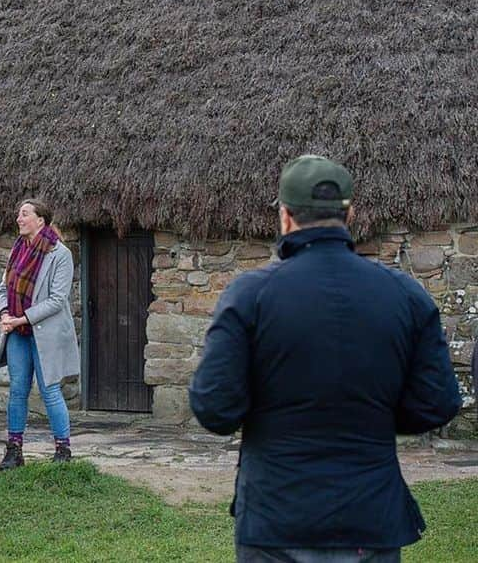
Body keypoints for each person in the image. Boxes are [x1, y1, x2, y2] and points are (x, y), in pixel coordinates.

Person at [189, 155, 462, 562]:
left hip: (276, 517)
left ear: (284, 217)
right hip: (370, 517)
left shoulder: (250, 296)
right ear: (349, 215)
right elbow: (437, 403)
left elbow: (215, 408)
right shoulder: (405, 295)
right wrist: (376, 415)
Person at [0, 199, 81, 469]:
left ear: (40, 220)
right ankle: (14, 450)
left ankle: (63, 451)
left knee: (49, 390)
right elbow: (2, 289)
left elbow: (57, 299)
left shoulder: (59, 253)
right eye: (18, 214)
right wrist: (4, 314)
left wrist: (23, 317)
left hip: (45, 334)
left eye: (24, 214)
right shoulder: (16, 251)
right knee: (17, 390)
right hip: (17, 332)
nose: (18, 218)